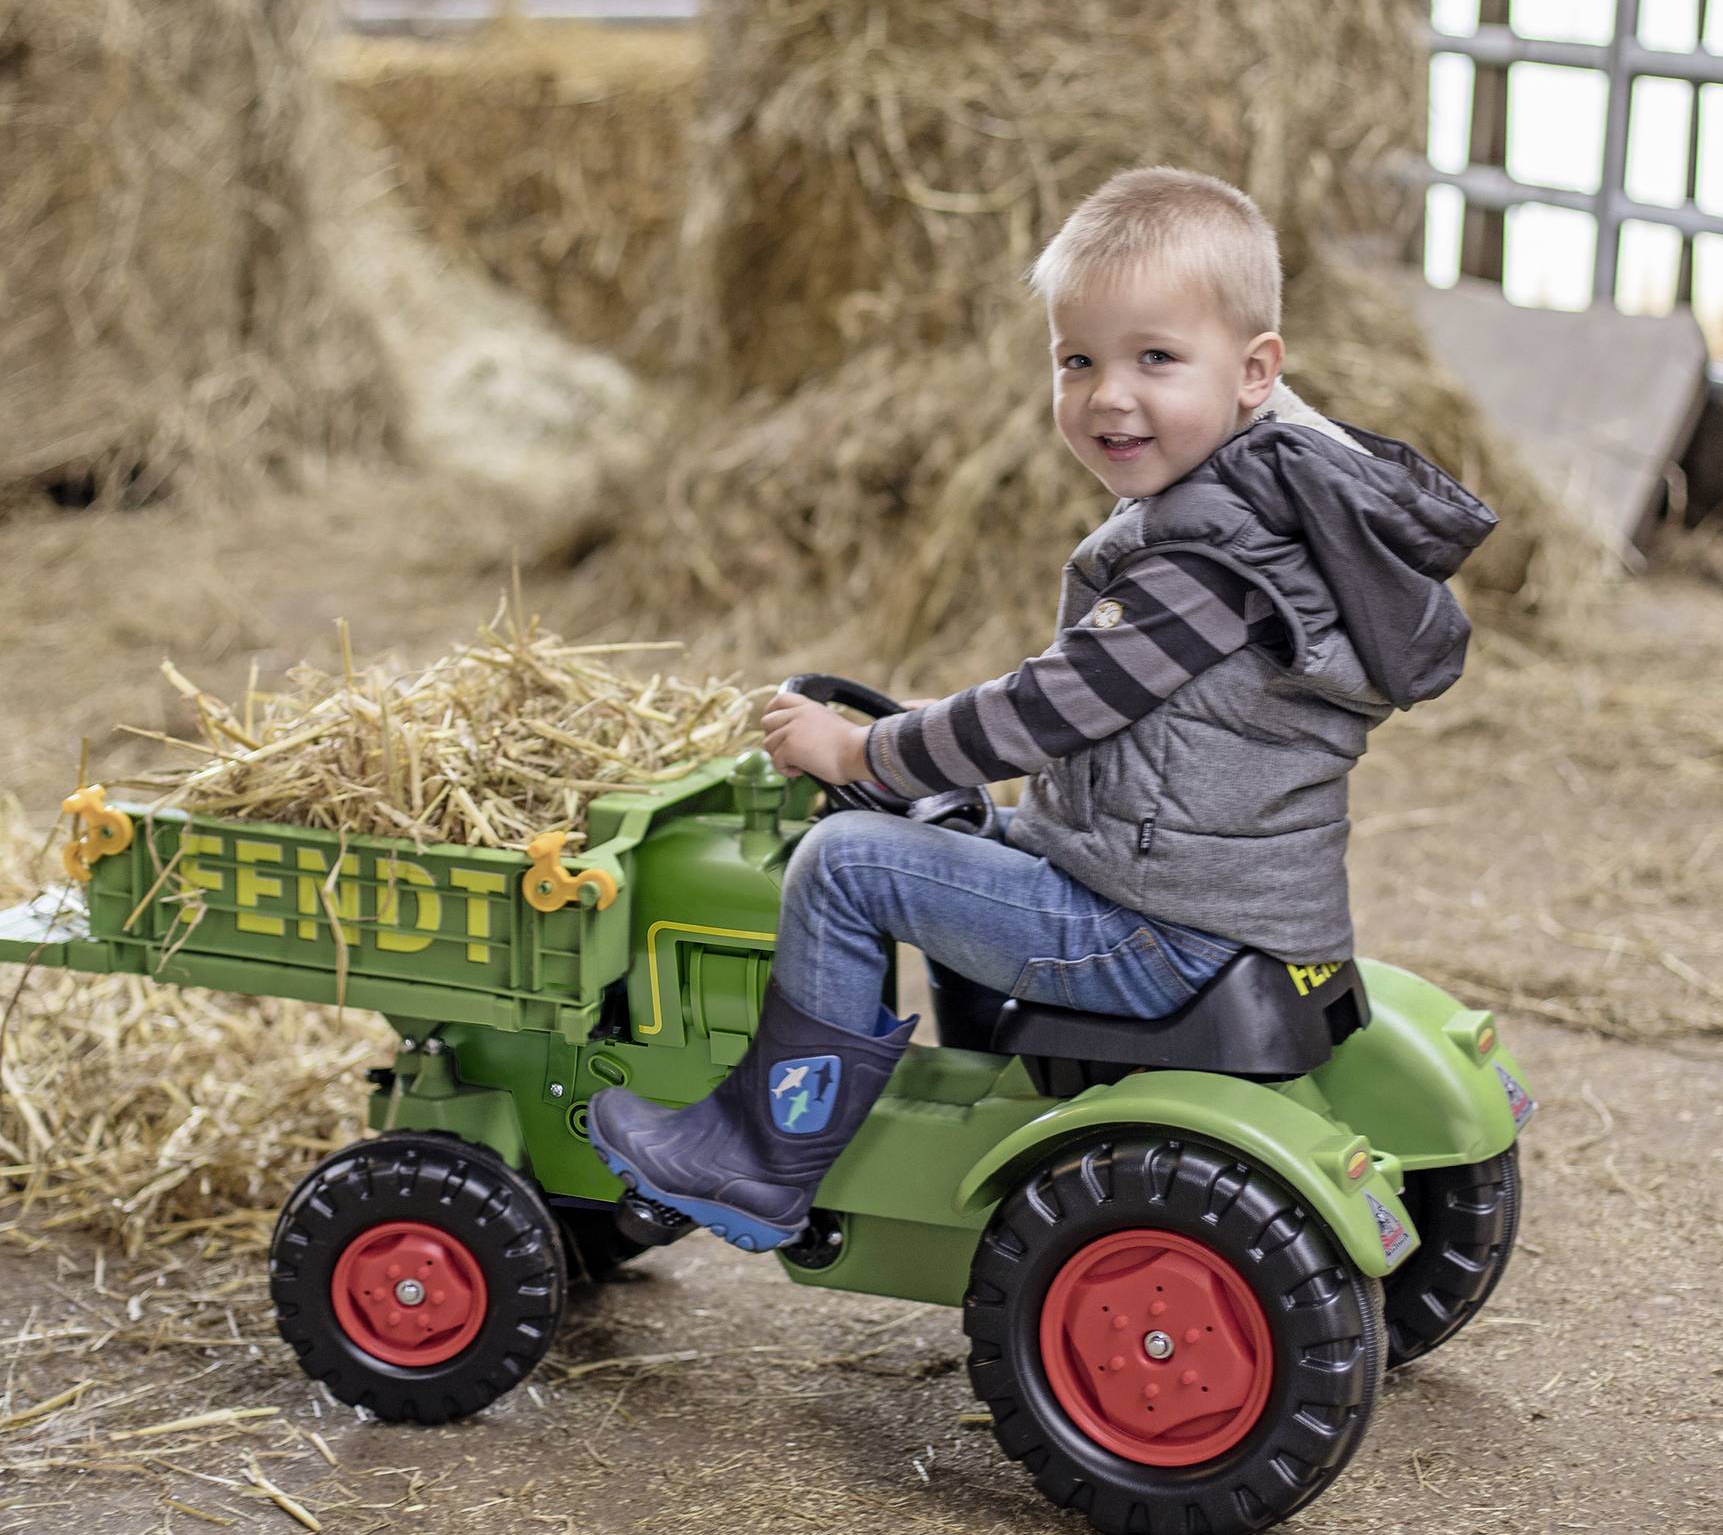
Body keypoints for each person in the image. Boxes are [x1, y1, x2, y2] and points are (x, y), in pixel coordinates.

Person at [584, 167, 1497, 1253]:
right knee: (959, 819)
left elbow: (1046, 709)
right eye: (1079, 360)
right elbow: (1107, 710)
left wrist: (865, 747)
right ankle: (976, 1085)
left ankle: (758, 1156)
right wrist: (928, 745)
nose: (1110, 394)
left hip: (1155, 925)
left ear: (1255, 371)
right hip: (1212, 892)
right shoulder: (1277, 509)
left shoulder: (1207, 559)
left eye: (1155, 357)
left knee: (845, 864)